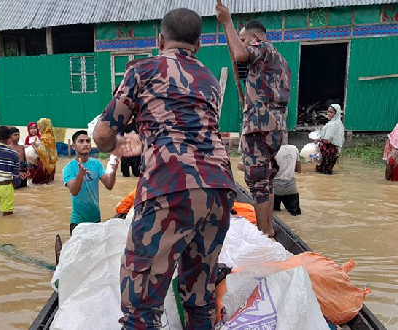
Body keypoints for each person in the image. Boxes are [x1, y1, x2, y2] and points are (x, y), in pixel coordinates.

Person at [93, 8, 235, 329]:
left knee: (140, 309)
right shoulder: (210, 82)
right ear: (198, 44)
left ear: (159, 39)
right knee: (200, 300)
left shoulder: (142, 71)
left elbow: (102, 135)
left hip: (167, 187)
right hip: (220, 189)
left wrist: (117, 146)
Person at [217, 5, 291, 237]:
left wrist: (227, 22)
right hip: (276, 126)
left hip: (259, 124)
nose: (244, 43)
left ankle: (264, 232)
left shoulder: (262, 47)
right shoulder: (282, 60)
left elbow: (240, 55)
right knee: (266, 178)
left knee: (258, 180)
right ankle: (268, 229)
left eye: (244, 39)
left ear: (255, 37)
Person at [63, 130, 117, 235]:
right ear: (74, 146)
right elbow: (74, 191)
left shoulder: (96, 164)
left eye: (88, 141)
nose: (86, 144)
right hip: (78, 222)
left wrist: (113, 171)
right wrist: (80, 175)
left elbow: (109, 186)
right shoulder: (68, 168)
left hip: (96, 219)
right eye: (81, 141)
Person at [272, 141, 301, 216]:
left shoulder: (271, 150)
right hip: (291, 188)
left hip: (275, 189)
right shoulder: (294, 149)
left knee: (274, 215)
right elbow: (299, 170)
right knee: (295, 215)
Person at [315, 104, 345, 175]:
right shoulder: (338, 123)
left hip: (328, 151)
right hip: (333, 151)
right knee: (327, 172)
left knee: (322, 172)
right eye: (328, 112)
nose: (328, 114)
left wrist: (317, 140)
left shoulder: (333, 124)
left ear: (336, 113)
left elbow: (327, 140)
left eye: (331, 112)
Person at [28, 118, 58, 184]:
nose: (39, 127)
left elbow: (41, 151)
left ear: (44, 125)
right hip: (52, 164)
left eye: (39, 125)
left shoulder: (45, 137)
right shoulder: (51, 136)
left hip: (44, 164)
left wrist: (34, 146)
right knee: (49, 183)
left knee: (38, 184)